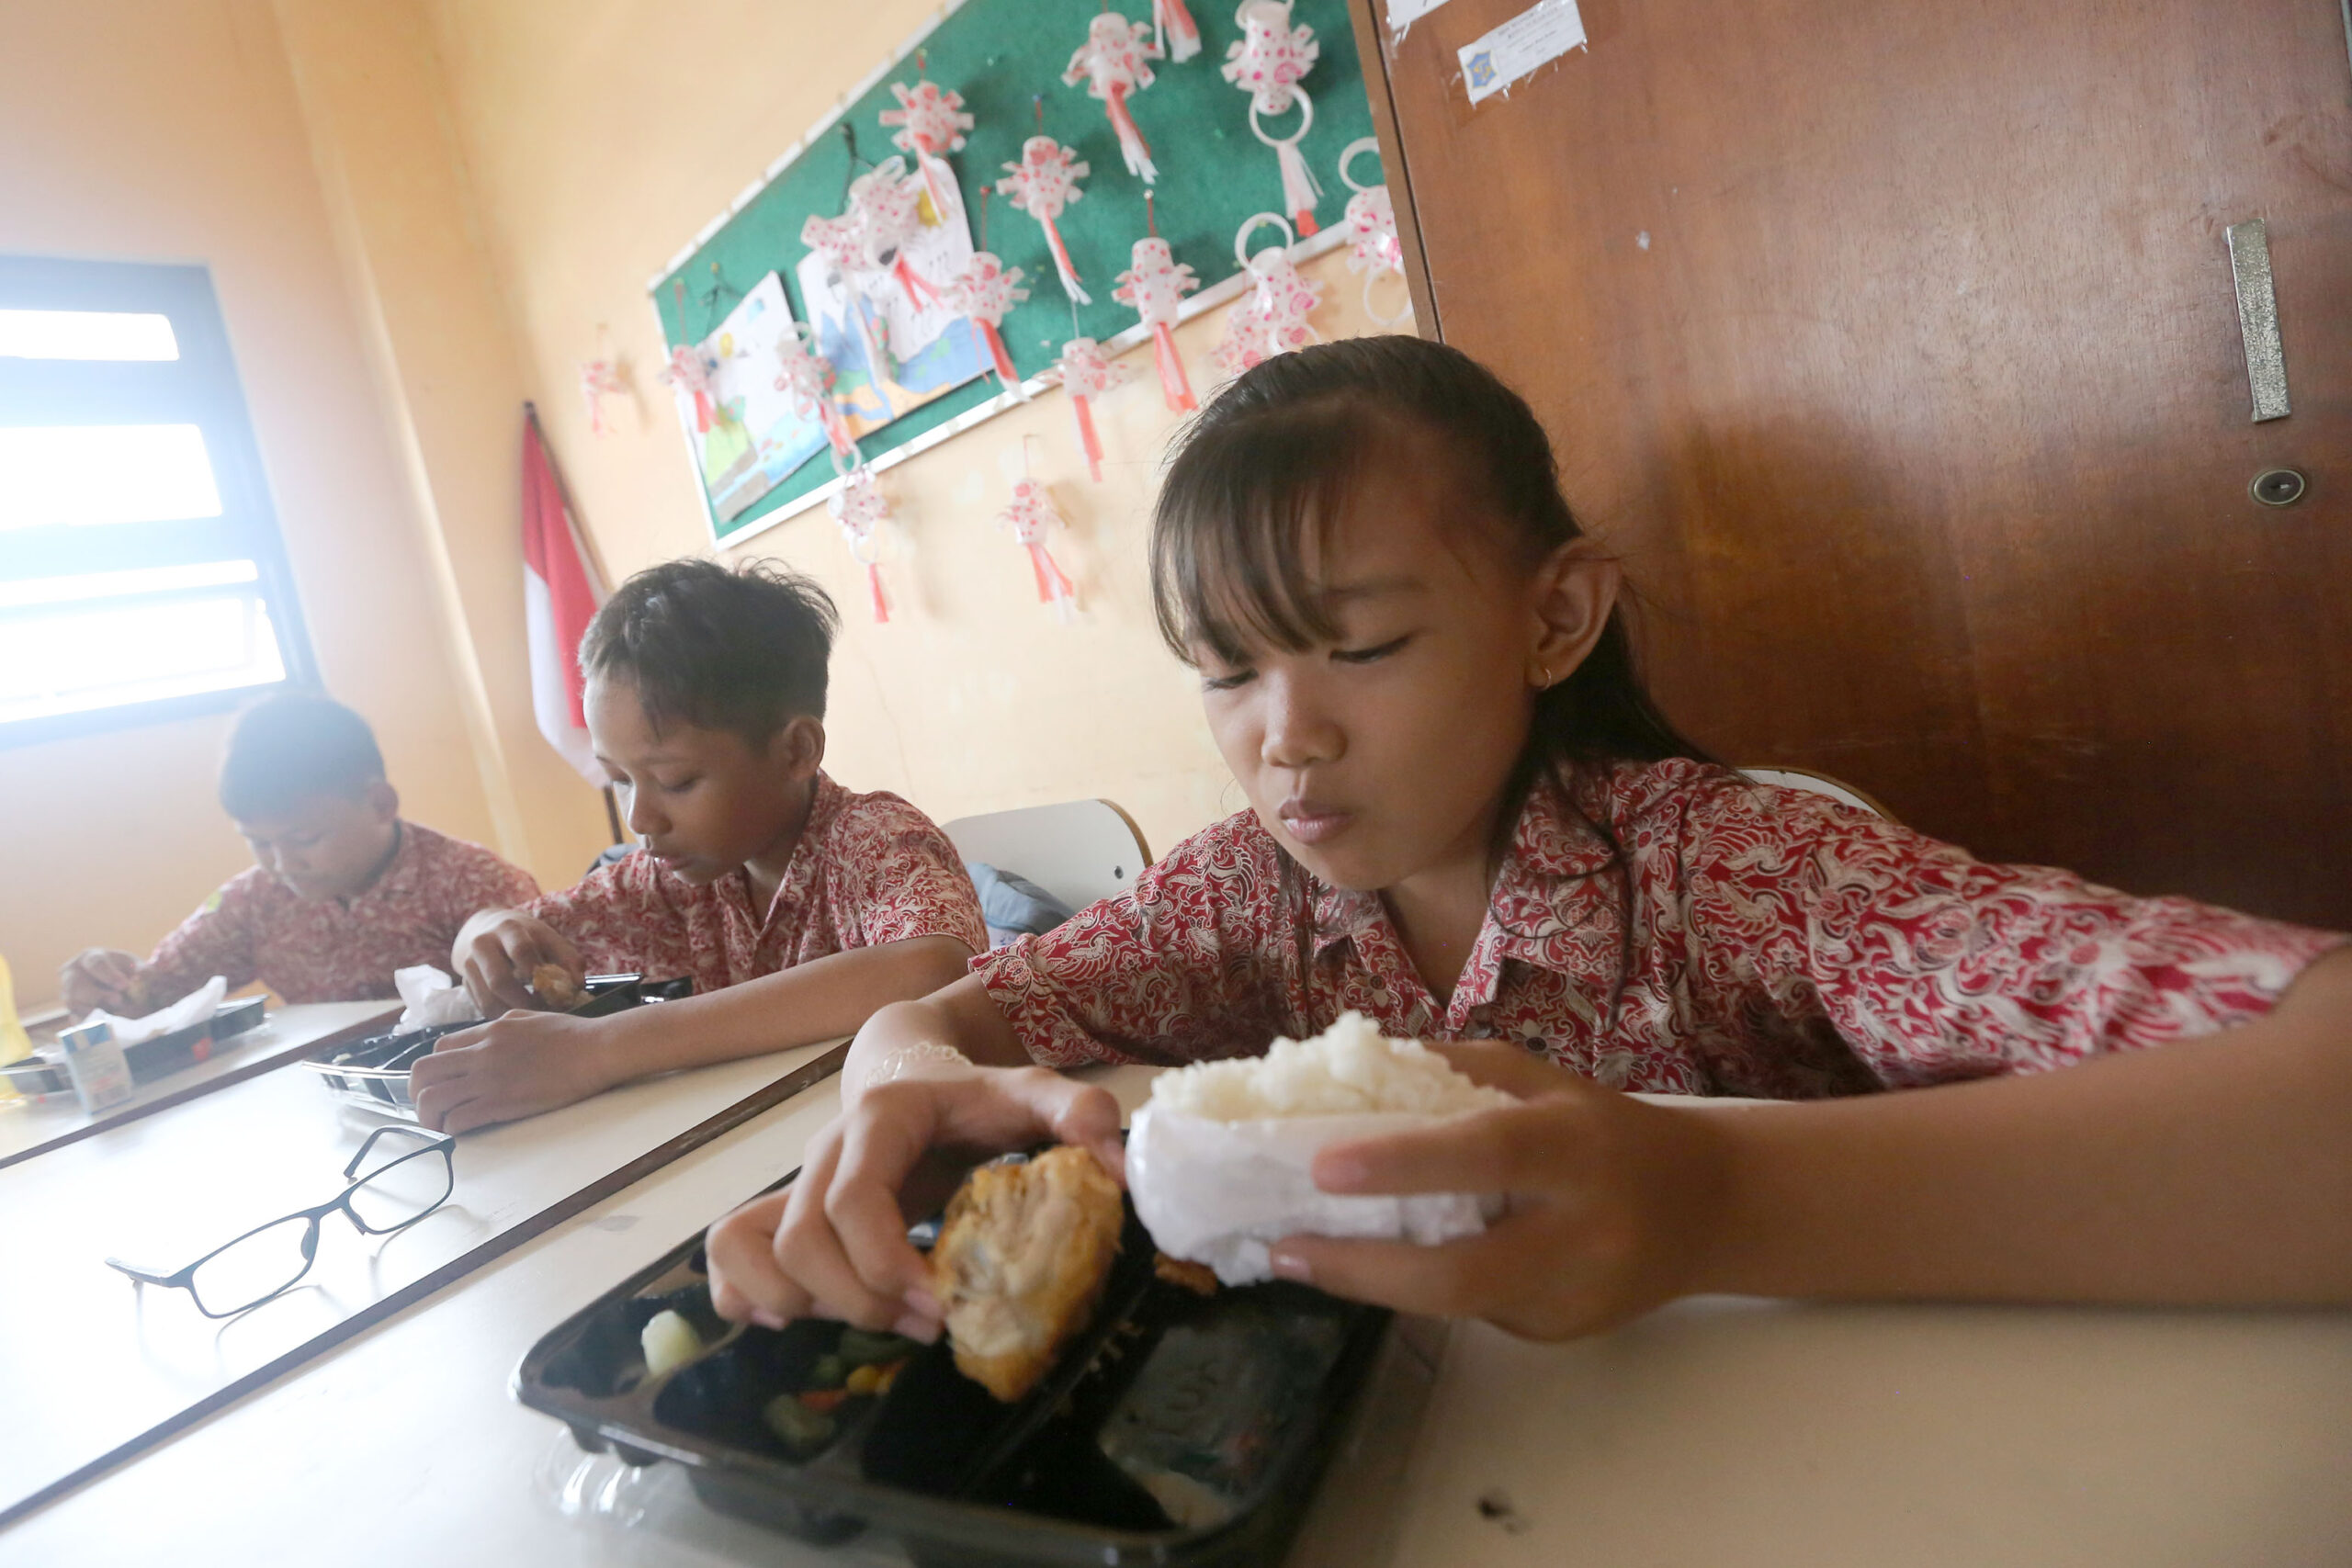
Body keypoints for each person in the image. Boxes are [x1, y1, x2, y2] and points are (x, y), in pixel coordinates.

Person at [701, 336, 2352, 1347]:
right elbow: (948, 1016)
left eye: (1360, 645)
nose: (1286, 734)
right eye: (1225, 669)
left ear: (1554, 617)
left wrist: (1719, 1197)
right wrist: (900, 1083)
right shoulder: (1246, 892)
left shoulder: (1734, 872)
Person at [413, 560, 984, 1134]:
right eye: (619, 779)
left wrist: (601, 1048)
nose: (639, 818)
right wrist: (484, 930)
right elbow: (525, 929)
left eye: (676, 781)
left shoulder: (872, 840)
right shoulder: (669, 880)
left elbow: (934, 967)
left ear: (795, 752)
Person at [58, 693, 539, 1017]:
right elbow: (155, 992)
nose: (283, 864)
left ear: (379, 804)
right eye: (260, 843)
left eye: (305, 839)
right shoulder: (253, 901)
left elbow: (546, 1002)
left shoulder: (472, 882)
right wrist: (107, 986)